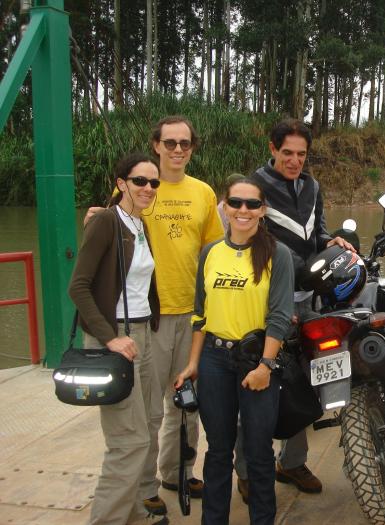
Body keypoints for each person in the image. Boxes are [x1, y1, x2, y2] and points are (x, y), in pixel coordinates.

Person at [85, 116, 224, 516]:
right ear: (156, 144)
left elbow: (213, 251)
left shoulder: (202, 193)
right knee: (147, 409)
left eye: (185, 143)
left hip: (192, 314)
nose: (178, 149)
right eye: (170, 142)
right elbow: (108, 222)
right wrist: (92, 220)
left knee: (186, 401)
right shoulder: (136, 187)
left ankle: (177, 471)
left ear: (192, 148)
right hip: (149, 318)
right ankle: (144, 485)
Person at [233, 118, 355, 500]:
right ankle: (249, 469)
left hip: (309, 293)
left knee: (308, 376)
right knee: (259, 379)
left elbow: (313, 233)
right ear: (273, 149)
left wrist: (330, 238)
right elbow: (245, 234)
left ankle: (294, 460)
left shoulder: (312, 186)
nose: (294, 161)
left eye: (301, 154)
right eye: (287, 153)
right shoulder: (255, 188)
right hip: (265, 295)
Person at [175, 178, 294, 525]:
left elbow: (280, 317)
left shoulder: (277, 254)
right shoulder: (210, 252)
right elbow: (201, 314)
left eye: (252, 204)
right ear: (224, 207)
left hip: (256, 361)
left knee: (258, 452)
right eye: (236, 203)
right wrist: (193, 364)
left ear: (263, 210)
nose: (243, 211)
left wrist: (265, 367)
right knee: (218, 450)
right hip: (213, 360)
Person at [69, 153, 167, 525]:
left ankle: (134, 514)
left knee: (146, 427)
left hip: (141, 333)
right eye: (140, 181)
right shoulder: (107, 222)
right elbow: (78, 287)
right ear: (121, 183)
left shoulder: (139, 224)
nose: (148, 188)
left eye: (153, 182)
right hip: (117, 340)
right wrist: (110, 338)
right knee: (128, 442)